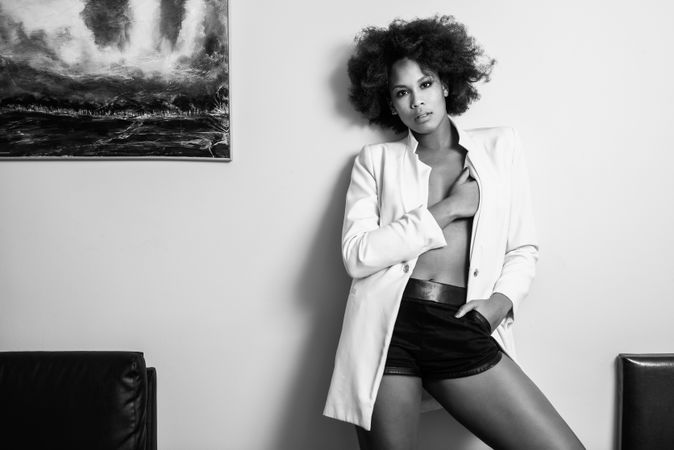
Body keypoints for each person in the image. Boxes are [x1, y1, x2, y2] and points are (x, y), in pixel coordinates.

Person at [323, 15, 585, 450]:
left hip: (463, 322)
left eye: (425, 85)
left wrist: (499, 305)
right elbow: (357, 254)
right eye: (402, 92)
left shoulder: (501, 147)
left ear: (445, 83)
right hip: (390, 329)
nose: (417, 102)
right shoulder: (375, 161)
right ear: (390, 102)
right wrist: (447, 209)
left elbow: (522, 246)